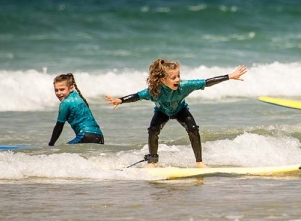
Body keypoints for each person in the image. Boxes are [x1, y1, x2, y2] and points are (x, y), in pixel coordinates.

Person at [105, 58, 247, 168]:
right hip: (162, 112)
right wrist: (120, 100)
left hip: (180, 110)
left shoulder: (184, 86)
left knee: (192, 129)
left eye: (178, 76)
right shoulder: (153, 91)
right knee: (153, 130)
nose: (178, 79)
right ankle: (153, 161)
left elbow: (206, 82)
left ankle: (199, 162)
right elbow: (136, 96)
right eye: (173, 78)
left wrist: (229, 76)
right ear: (162, 80)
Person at [49, 73, 104, 146]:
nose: (59, 93)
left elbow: (59, 127)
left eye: (62, 89)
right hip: (99, 137)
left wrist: (51, 144)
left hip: (85, 136)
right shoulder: (77, 96)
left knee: (61, 152)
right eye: (56, 90)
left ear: (71, 88)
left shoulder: (65, 103)